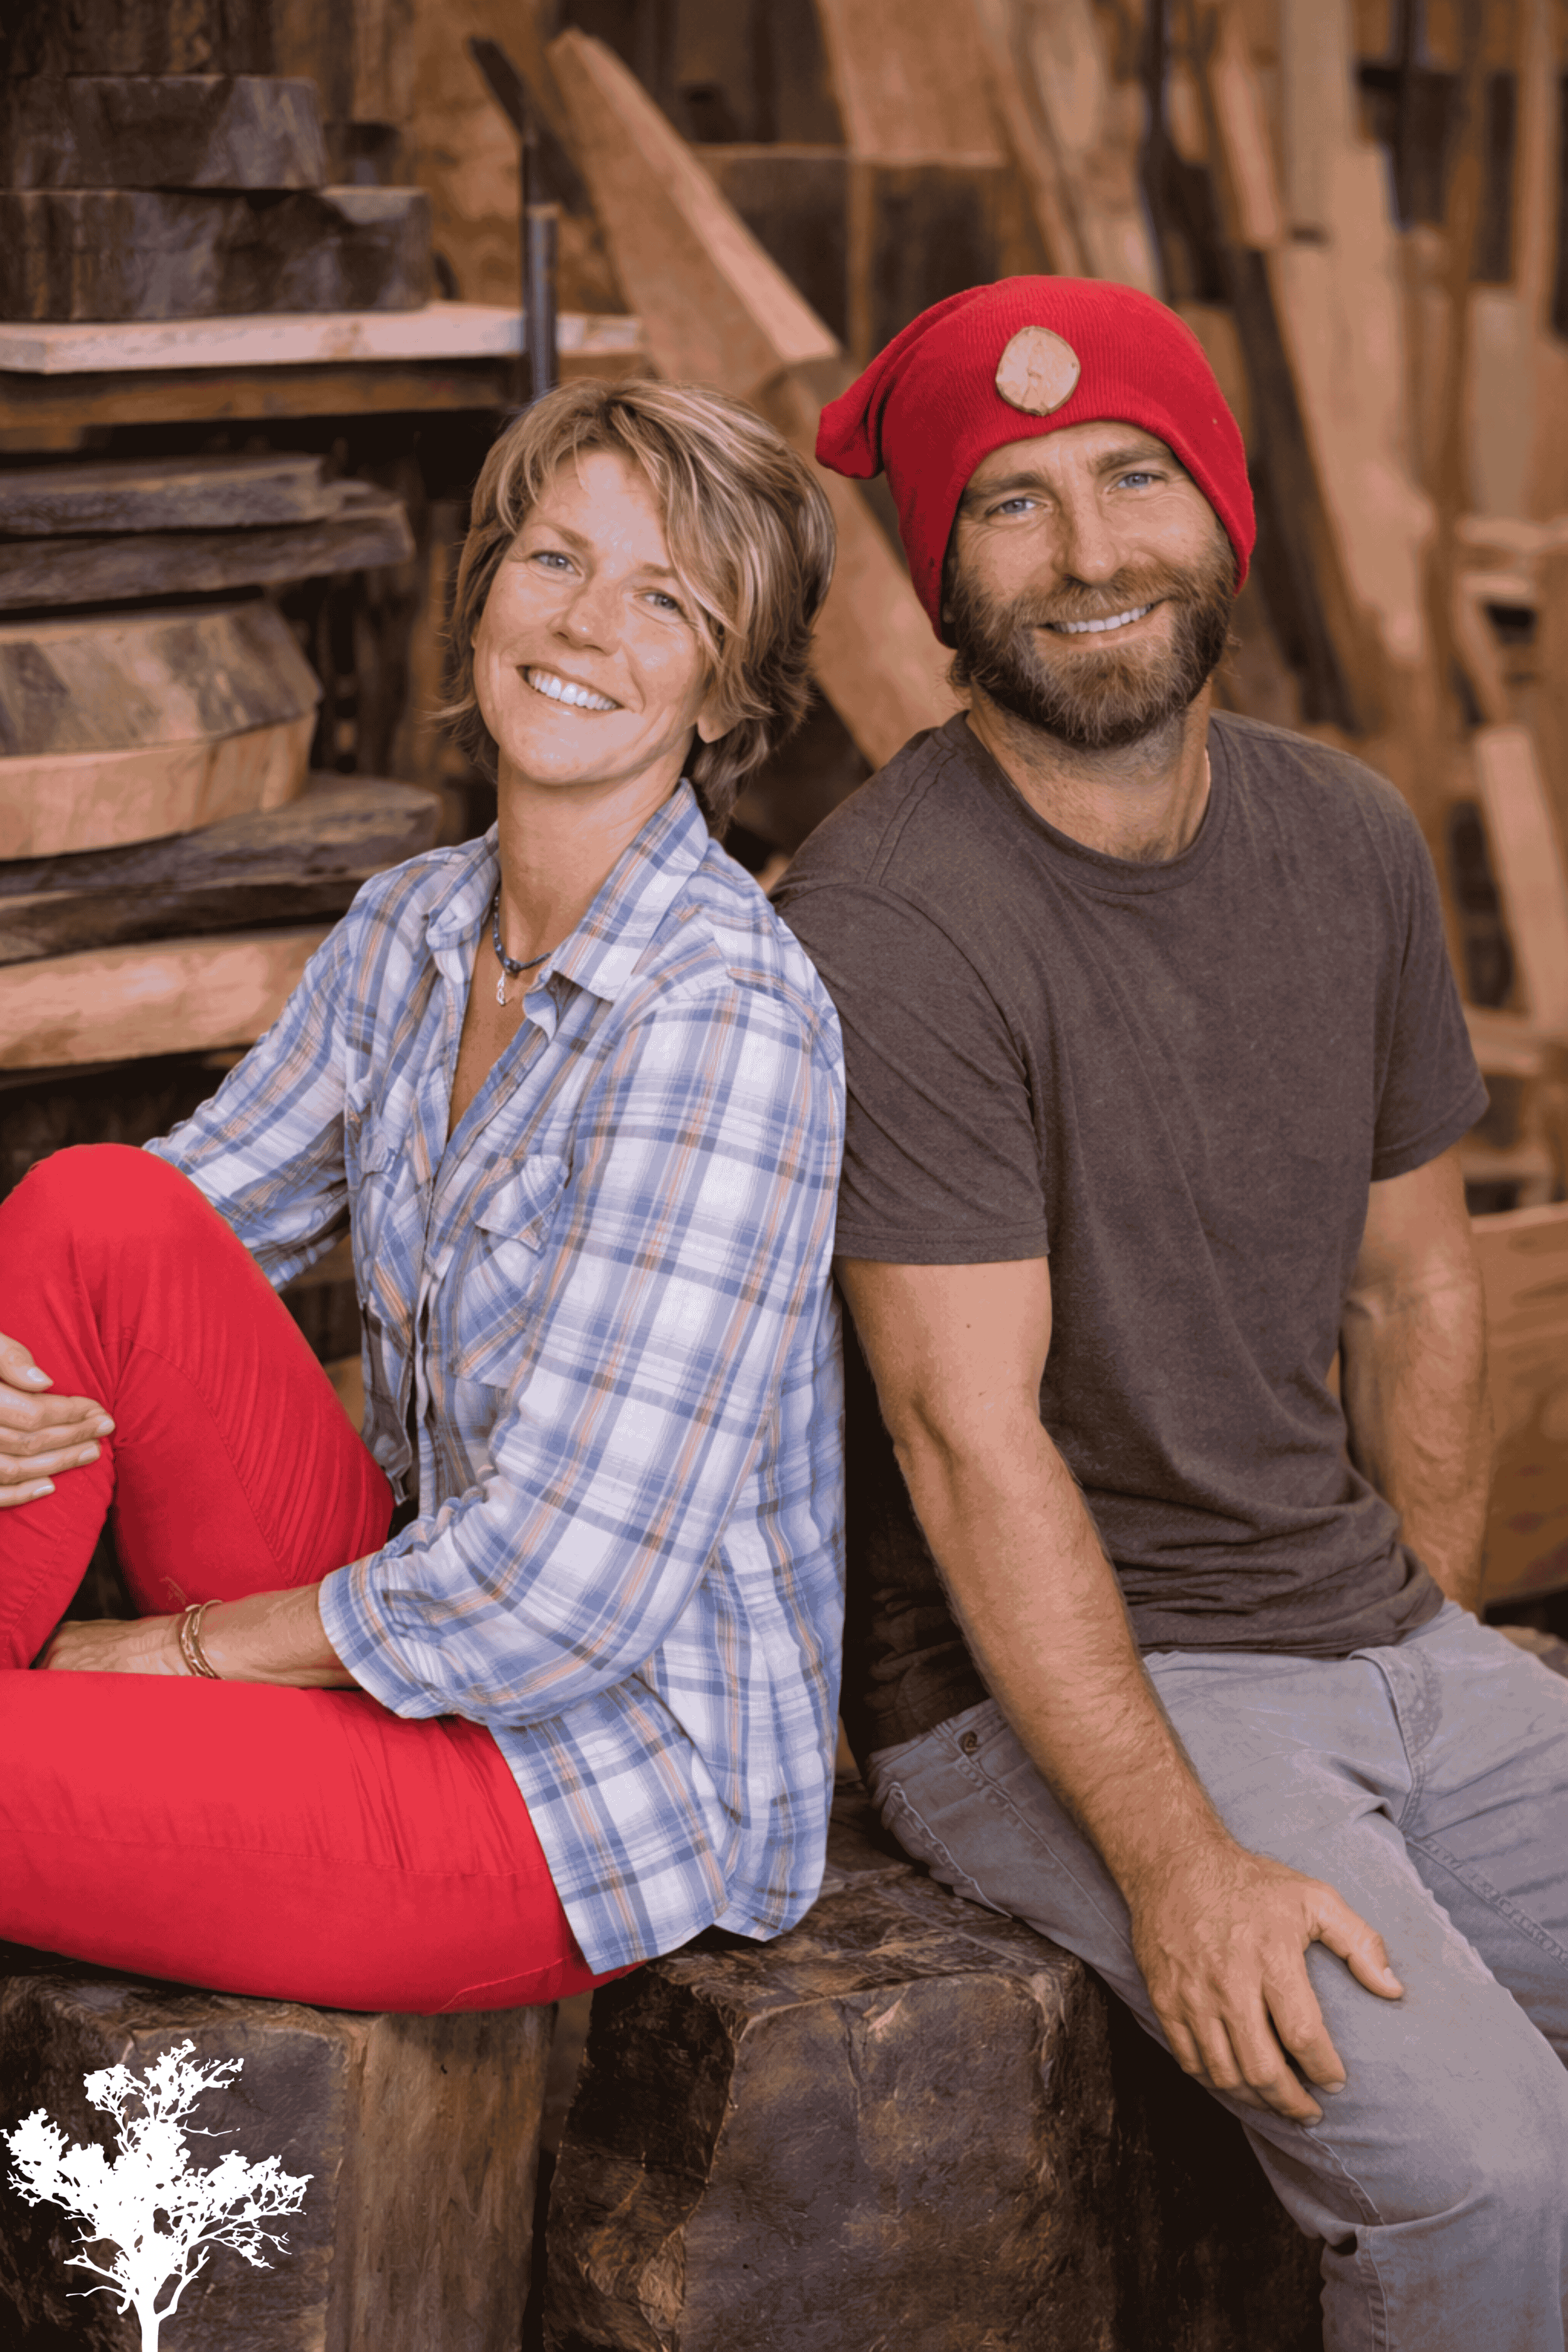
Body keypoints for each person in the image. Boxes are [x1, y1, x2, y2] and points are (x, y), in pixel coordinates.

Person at [774, 277, 1568, 2352]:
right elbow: (967, 1435)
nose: (1089, 548)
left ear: (1220, 512)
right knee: (1491, 2174)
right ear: (940, 578)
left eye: (1133, 476)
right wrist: (1182, 1858)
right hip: (1055, 1695)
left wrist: (1430, 1633)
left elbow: (1414, 1282)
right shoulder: (888, 917)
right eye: (1011, 506)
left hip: (1370, 1639)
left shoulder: (1349, 836)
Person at [0, 378, 846, 2020]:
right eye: (554, 558)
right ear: (484, 593)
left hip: (588, 1780)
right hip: (409, 1615)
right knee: (93, 1210)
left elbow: (556, 1596)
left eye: (664, 598)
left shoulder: (725, 1022)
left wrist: (167, 1657)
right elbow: (184, 1221)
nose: (586, 623)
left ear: (725, 688)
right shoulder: (416, 925)